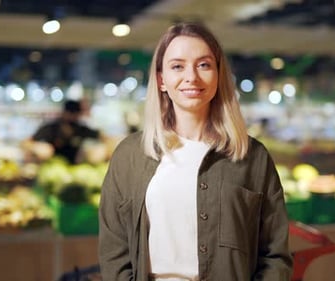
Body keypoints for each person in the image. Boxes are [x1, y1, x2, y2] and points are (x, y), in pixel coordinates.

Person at [99, 22, 293, 280]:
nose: (191, 76)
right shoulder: (130, 155)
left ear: (218, 75)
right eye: (177, 66)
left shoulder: (252, 157)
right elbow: (114, 250)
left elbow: (275, 255)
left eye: (204, 65)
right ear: (161, 80)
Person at [31, 100, 100, 164]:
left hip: (76, 166)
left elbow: (102, 136)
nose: (72, 117)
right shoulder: (51, 128)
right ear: (64, 113)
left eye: (75, 114)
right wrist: (36, 148)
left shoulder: (81, 129)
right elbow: (27, 142)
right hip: (51, 165)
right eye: (70, 113)